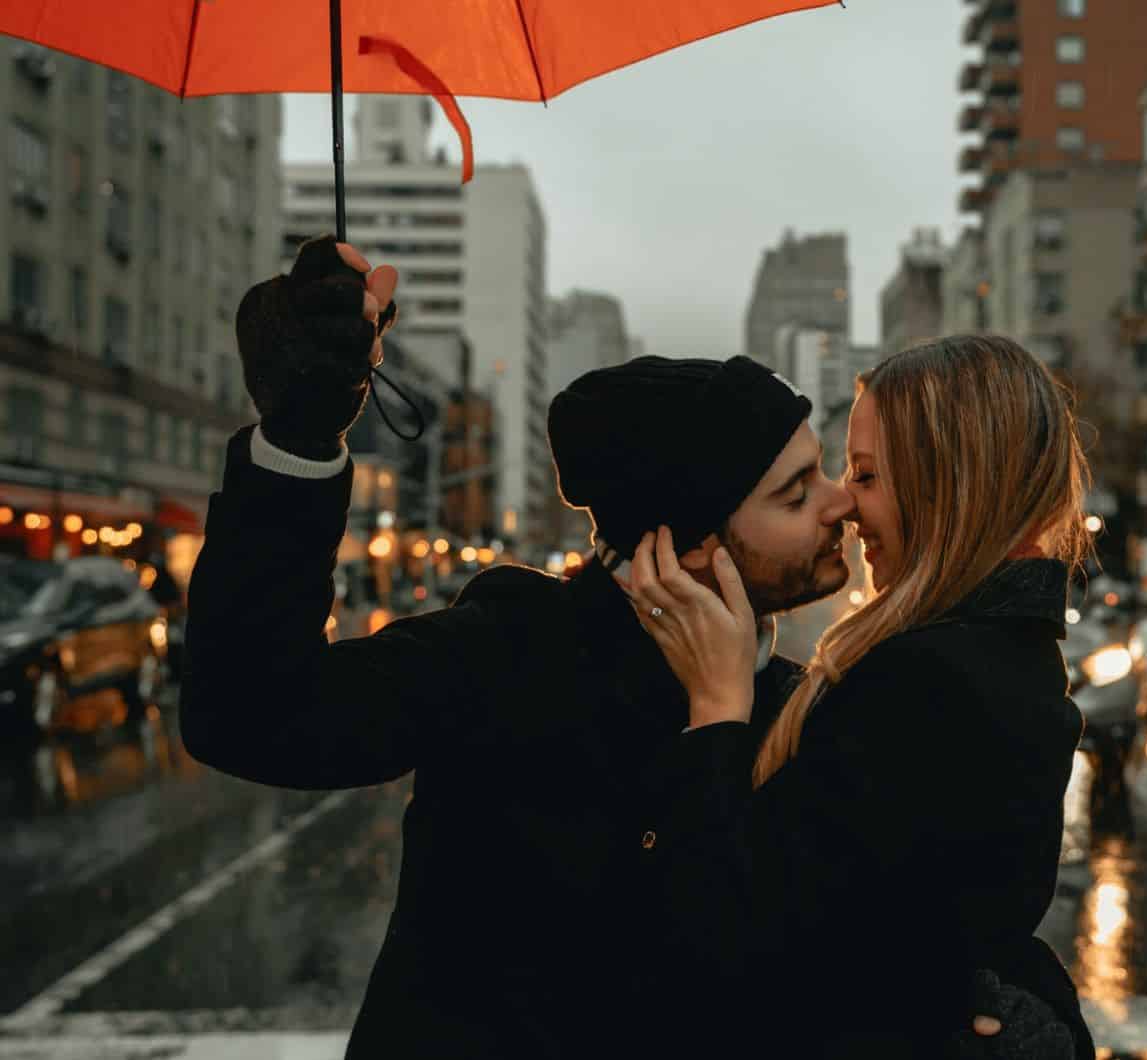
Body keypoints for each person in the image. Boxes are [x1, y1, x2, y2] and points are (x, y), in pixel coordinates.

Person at [181, 238, 1079, 1057]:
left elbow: (905, 911)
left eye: (842, 474)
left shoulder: (802, 702)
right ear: (692, 546)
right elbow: (254, 714)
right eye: (798, 490)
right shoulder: (519, 652)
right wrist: (298, 442)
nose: (841, 504)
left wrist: (1030, 1002)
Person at [625, 335, 1098, 1059]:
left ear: (951, 488)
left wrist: (717, 711)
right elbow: (951, 930)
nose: (844, 502)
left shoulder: (930, 681)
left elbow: (726, 938)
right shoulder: (1004, 657)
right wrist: (1038, 1003)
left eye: (868, 476)